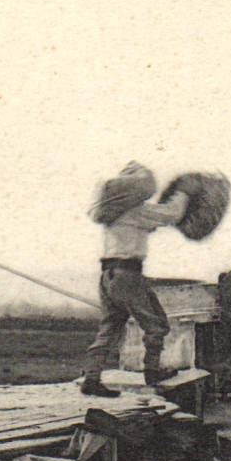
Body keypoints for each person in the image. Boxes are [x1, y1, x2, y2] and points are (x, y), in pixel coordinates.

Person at [80, 162, 186, 397]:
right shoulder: (135, 211)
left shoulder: (111, 214)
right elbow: (172, 214)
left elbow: (140, 228)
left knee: (109, 328)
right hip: (128, 274)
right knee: (156, 324)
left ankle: (92, 378)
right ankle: (152, 371)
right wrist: (183, 194)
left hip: (108, 275)